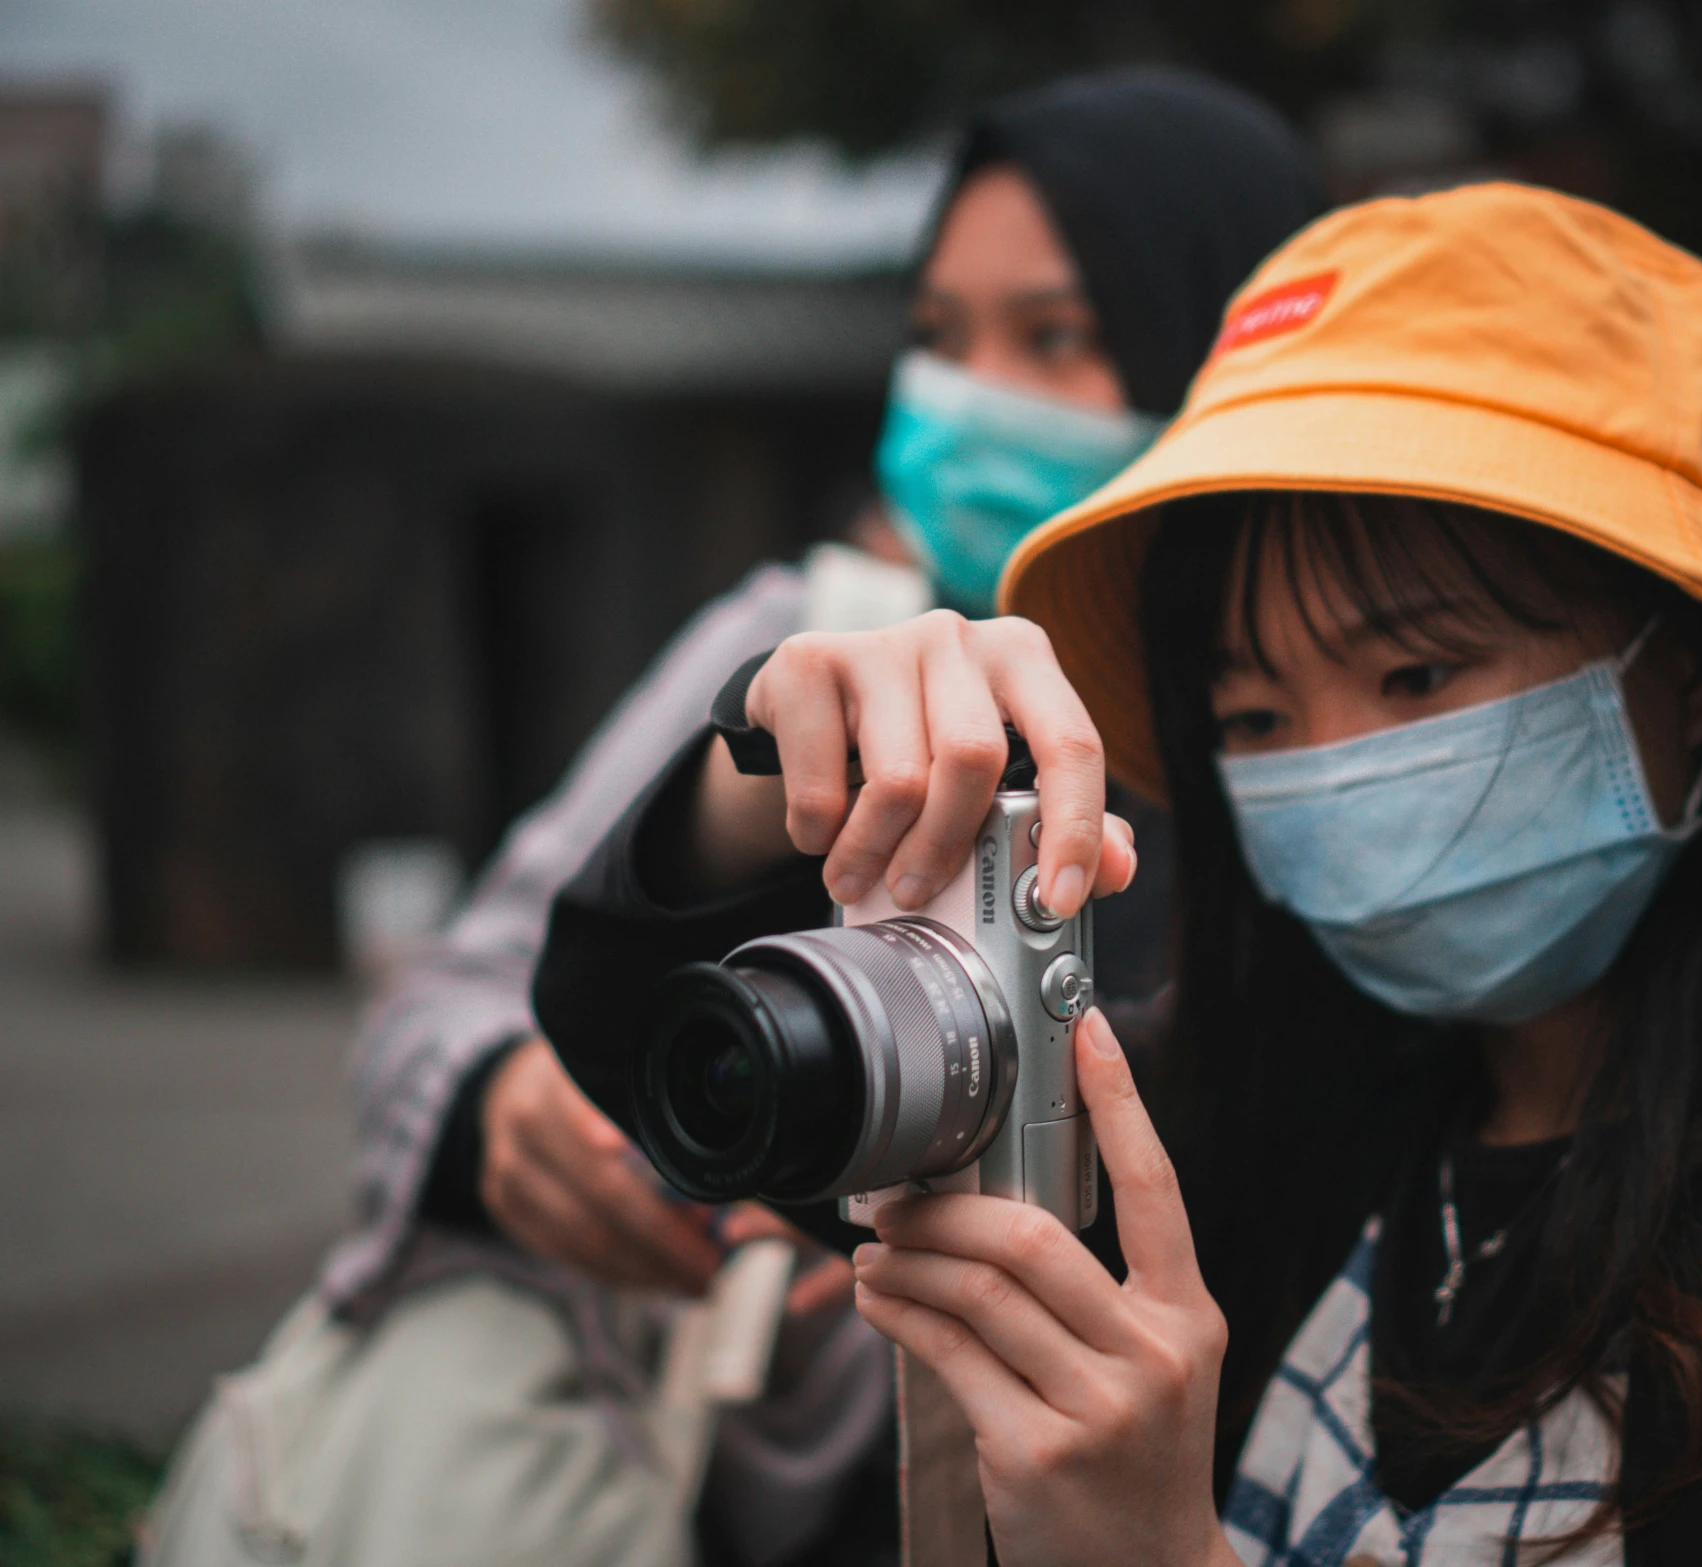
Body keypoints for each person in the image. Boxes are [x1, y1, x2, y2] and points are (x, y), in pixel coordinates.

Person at [532, 184, 1702, 1565]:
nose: (1333, 764)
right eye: (1252, 711)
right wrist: (769, 761)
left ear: (1699, 668)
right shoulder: (1248, 1117)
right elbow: (651, 1050)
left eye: (1416, 676)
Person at [139, 68, 1325, 1567]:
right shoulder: (808, 642)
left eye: (1055, 336)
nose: (965, 398)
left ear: (1220, 349)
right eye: (936, 338)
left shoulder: (1299, 735)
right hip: (692, 1473)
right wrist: (512, 1099)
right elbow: (463, 989)